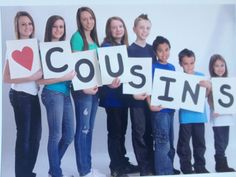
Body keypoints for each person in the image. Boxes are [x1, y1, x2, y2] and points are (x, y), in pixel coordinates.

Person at [3, 11, 42, 177]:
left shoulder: (37, 45)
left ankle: (28, 172)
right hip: (20, 96)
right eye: (23, 24)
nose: (27, 27)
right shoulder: (14, 46)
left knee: (36, 136)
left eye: (29, 23)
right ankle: (21, 174)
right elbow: (5, 78)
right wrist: (31, 77)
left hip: (33, 96)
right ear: (17, 28)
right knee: (24, 137)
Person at [99, 16, 139, 177]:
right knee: (115, 132)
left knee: (121, 131)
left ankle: (122, 162)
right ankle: (115, 167)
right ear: (109, 30)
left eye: (120, 26)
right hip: (112, 98)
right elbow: (100, 70)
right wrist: (107, 82)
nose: (118, 30)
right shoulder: (106, 47)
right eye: (114, 27)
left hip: (124, 98)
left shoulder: (125, 47)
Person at [38, 15, 75, 177]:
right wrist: (62, 78)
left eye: (61, 26)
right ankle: (56, 172)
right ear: (49, 28)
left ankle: (54, 167)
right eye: (55, 26)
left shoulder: (66, 48)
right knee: (56, 134)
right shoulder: (43, 48)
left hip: (66, 94)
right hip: (52, 93)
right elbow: (39, 80)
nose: (58, 30)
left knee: (69, 134)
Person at [70, 7, 105, 177]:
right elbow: (76, 65)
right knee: (83, 129)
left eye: (91, 18)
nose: (88, 21)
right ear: (79, 21)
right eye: (84, 19)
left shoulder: (94, 38)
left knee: (89, 129)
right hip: (83, 91)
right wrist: (85, 87)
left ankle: (89, 168)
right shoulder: (77, 38)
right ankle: (83, 171)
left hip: (95, 89)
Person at [146, 36, 179, 175]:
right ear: (155, 52)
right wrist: (150, 105)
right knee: (162, 141)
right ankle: (163, 172)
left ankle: (168, 167)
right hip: (159, 110)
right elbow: (146, 88)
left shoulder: (172, 67)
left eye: (166, 50)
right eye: (160, 51)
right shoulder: (152, 67)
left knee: (170, 141)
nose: (164, 53)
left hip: (170, 110)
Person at [127, 14, 154, 176]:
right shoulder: (129, 50)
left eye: (148, 28)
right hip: (136, 100)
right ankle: (144, 167)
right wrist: (133, 95)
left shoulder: (152, 50)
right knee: (139, 132)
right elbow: (126, 76)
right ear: (134, 29)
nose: (144, 31)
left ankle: (152, 163)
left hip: (151, 99)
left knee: (151, 131)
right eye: (141, 27)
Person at [177, 48, 210, 174]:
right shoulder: (179, 78)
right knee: (184, 144)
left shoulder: (201, 77)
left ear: (194, 62)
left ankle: (200, 166)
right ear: (181, 64)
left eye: (191, 63)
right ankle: (186, 167)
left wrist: (208, 87)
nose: (189, 66)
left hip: (199, 116)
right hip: (185, 116)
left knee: (200, 143)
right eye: (186, 63)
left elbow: (206, 95)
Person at [208, 54, 235, 172]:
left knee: (225, 141)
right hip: (218, 117)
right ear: (212, 68)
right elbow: (209, 99)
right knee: (219, 141)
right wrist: (214, 109)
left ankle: (222, 163)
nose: (220, 68)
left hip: (227, 117)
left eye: (222, 65)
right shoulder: (211, 82)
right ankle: (220, 164)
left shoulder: (228, 81)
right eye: (217, 66)